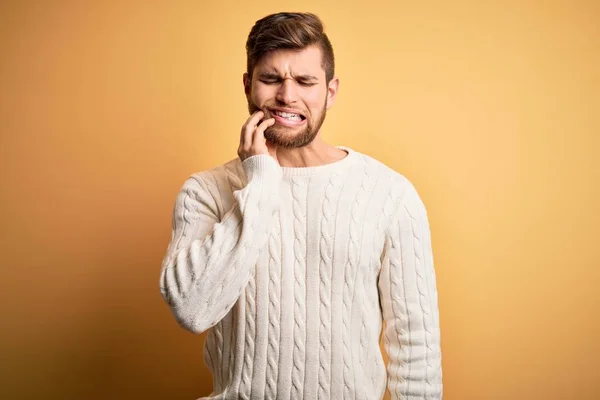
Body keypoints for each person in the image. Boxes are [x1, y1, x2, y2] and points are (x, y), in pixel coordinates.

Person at [159, 12, 442, 400]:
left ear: (330, 90)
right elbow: (192, 310)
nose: (287, 96)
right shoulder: (205, 192)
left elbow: (416, 346)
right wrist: (260, 182)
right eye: (271, 79)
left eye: (305, 81)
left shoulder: (390, 195)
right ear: (248, 85)